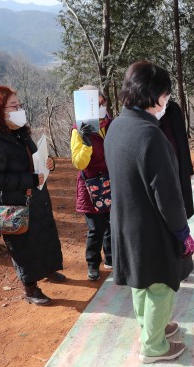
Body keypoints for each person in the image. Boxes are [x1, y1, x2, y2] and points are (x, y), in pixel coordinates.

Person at [104, 61, 194, 364]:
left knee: (140, 280)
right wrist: (182, 231)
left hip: (125, 221)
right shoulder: (151, 136)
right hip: (152, 226)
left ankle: (150, 327)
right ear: (153, 95)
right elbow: (168, 196)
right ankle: (154, 346)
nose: (167, 101)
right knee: (160, 286)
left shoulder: (117, 125)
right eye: (165, 95)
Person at [0, 85, 65, 305]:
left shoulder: (19, 131)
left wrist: (48, 163)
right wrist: (29, 180)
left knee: (44, 235)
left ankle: (49, 269)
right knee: (23, 243)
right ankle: (30, 288)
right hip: (13, 201)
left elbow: (33, 157)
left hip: (35, 196)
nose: (19, 109)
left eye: (19, 104)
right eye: (13, 106)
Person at [70, 85, 113, 281]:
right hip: (90, 185)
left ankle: (111, 257)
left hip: (112, 182)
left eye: (101, 103)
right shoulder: (78, 130)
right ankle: (92, 263)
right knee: (96, 228)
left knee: (112, 224)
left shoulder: (111, 124)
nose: (100, 107)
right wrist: (86, 143)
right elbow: (79, 162)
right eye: (95, 105)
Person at [159, 100, 194, 218]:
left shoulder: (173, 108)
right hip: (161, 170)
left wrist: (188, 167)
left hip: (179, 164)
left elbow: (183, 139)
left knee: (181, 206)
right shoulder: (145, 113)